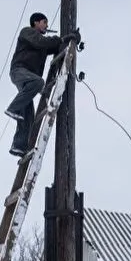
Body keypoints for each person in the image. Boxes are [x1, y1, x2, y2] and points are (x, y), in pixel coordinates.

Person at [5, 12, 80, 157]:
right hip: (20, 71)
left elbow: (56, 46)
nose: (46, 25)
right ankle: (13, 108)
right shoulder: (27, 32)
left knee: (28, 115)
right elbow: (41, 42)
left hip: (29, 79)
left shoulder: (42, 43)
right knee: (38, 82)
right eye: (44, 22)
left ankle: (19, 147)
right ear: (36, 23)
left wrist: (72, 40)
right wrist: (62, 38)